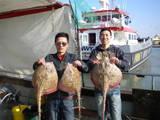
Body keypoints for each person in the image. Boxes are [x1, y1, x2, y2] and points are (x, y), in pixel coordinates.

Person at [33, 32, 88, 120]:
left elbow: (86, 69)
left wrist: (81, 64)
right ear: (55, 44)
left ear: (67, 45)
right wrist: (38, 63)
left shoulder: (72, 57)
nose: (61, 45)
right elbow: (35, 68)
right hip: (52, 97)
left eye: (64, 43)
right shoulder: (49, 57)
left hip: (67, 98)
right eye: (58, 43)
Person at [88, 28, 129, 120]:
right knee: (101, 115)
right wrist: (92, 63)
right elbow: (88, 66)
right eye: (102, 35)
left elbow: (126, 65)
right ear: (99, 37)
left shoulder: (117, 50)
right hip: (99, 87)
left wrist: (118, 61)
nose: (104, 37)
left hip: (114, 88)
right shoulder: (95, 51)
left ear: (110, 37)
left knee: (116, 116)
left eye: (107, 35)